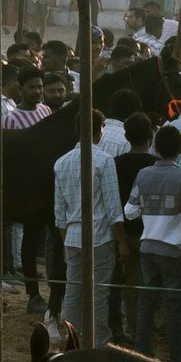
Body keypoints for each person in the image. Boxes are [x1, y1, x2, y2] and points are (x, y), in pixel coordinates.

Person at [125, 121, 181, 362]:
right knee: (174, 307)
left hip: (148, 246)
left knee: (146, 304)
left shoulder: (144, 174)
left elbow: (130, 212)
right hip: (175, 250)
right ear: (180, 150)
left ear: (156, 148)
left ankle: (142, 355)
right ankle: (178, 359)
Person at [53, 102, 123, 348]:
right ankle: (98, 343)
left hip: (72, 236)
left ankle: (71, 339)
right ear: (98, 131)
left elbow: (59, 213)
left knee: (73, 292)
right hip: (100, 237)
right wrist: (122, 243)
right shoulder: (104, 161)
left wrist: (64, 241)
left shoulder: (61, 163)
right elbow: (114, 209)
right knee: (99, 293)